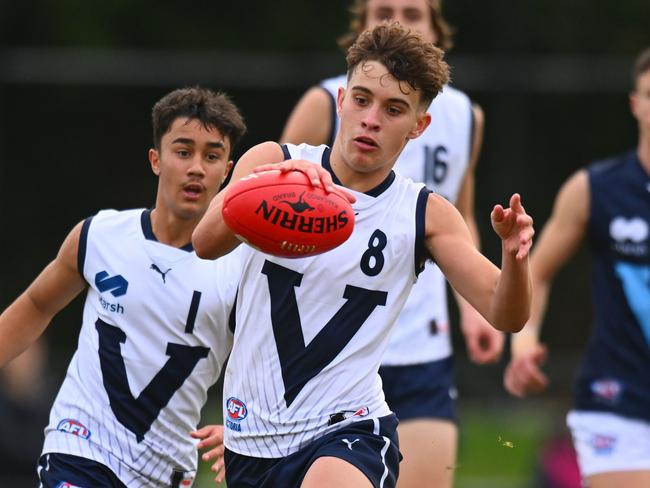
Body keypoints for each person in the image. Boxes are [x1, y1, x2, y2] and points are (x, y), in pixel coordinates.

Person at [193, 22, 534, 488]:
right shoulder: (272, 159)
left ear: (419, 126)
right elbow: (205, 243)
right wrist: (267, 185)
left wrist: (514, 257)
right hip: (250, 439)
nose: (372, 118)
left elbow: (505, 312)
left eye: (394, 109)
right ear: (341, 101)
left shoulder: (424, 214)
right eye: (361, 100)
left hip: (348, 428)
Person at [280, 1, 503, 486]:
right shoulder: (325, 101)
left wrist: (471, 310)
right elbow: (274, 201)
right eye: (384, 10)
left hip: (419, 341)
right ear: (361, 28)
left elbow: (460, 213)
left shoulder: (466, 115)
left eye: (414, 12)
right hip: (330, 343)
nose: (399, 21)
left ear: (436, 30)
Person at [0, 86, 246, 487]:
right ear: (156, 160)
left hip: (165, 471)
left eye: (212, 155)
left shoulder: (241, 271)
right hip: (79, 449)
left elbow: (267, 366)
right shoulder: (99, 236)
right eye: (183, 152)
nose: (197, 167)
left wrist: (238, 427)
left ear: (227, 170)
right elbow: (36, 306)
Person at [504, 47, 650, 487]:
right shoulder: (595, 189)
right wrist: (523, 341)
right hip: (616, 398)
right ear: (635, 104)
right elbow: (538, 271)